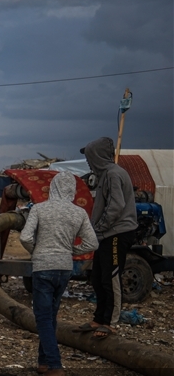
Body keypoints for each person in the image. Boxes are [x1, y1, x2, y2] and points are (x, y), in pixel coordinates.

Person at [20, 172, 99, 376]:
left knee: (43, 317)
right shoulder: (79, 213)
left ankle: (55, 366)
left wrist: (37, 250)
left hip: (43, 267)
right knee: (51, 315)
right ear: (72, 190)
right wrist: (72, 250)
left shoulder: (39, 209)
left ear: (53, 187)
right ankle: (43, 362)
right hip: (65, 268)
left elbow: (25, 236)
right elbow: (93, 243)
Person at [80, 136, 138, 338]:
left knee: (111, 277)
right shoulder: (105, 175)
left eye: (89, 156)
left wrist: (100, 228)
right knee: (98, 278)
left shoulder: (113, 174)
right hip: (106, 234)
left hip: (116, 233)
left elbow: (116, 206)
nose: (88, 161)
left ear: (97, 156)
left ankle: (111, 322)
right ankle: (99, 318)